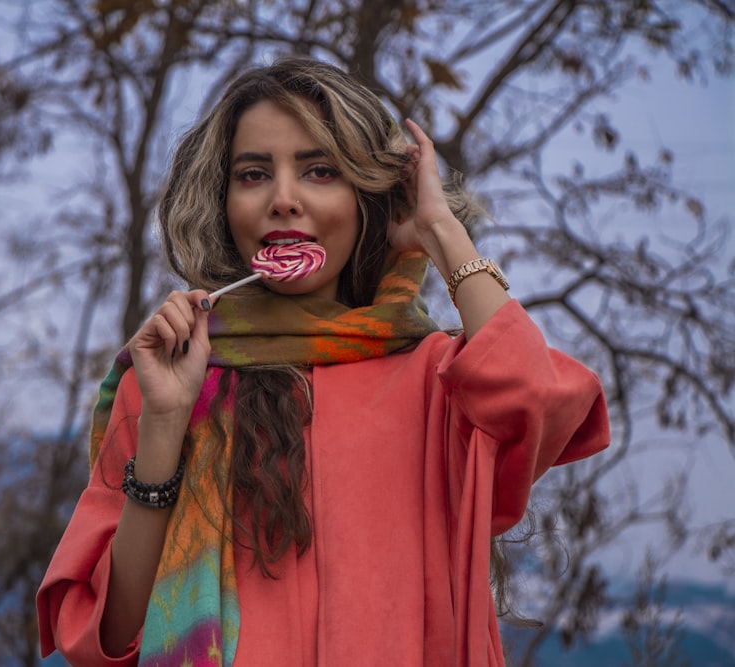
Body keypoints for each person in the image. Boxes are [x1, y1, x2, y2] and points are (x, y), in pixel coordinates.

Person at [36, 57, 610, 666]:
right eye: (253, 174)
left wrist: (442, 232)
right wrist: (164, 425)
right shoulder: (170, 380)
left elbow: (538, 401)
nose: (283, 199)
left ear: (368, 199)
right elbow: (108, 637)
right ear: (222, 203)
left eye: (319, 171)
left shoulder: (438, 380)